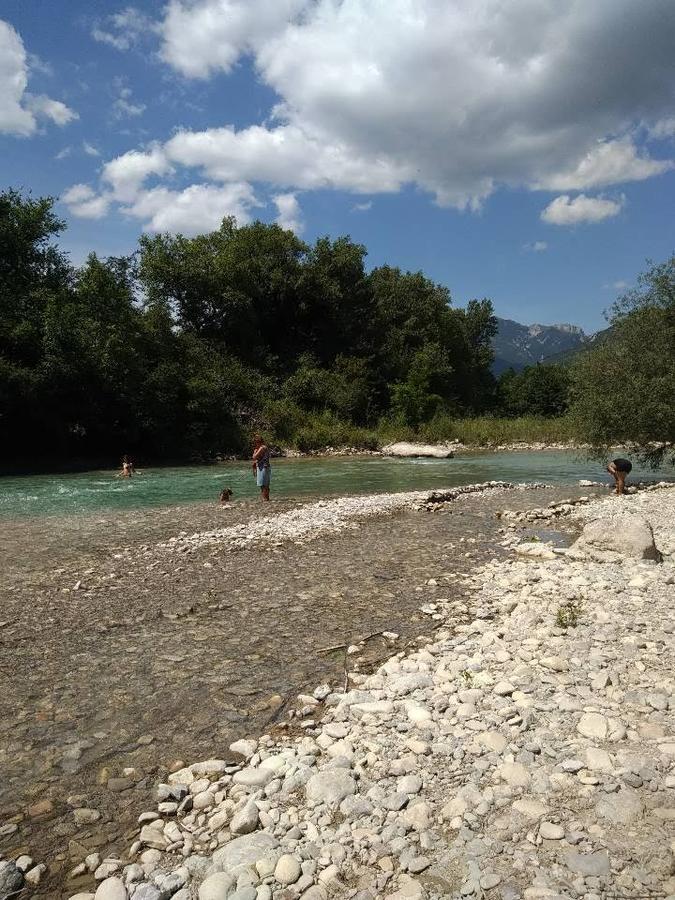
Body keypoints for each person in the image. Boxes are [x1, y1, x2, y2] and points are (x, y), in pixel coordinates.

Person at [252, 434, 271, 501]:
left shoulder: (262, 447)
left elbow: (254, 457)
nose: (255, 444)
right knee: (264, 485)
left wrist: (254, 452)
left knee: (263, 485)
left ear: (258, 442)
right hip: (262, 467)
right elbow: (255, 459)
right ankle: (266, 499)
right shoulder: (261, 447)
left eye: (255, 443)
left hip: (264, 468)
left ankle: (265, 499)